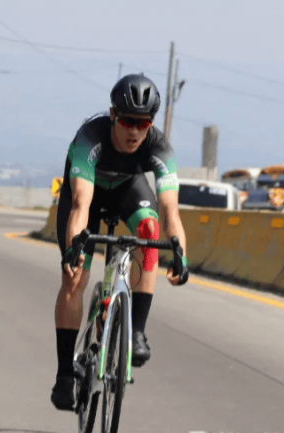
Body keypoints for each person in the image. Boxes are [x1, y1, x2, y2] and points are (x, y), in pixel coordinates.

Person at [51, 74, 190, 410]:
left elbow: (170, 209)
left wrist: (181, 254)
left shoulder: (159, 147)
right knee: (75, 277)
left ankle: (137, 331)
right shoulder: (90, 138)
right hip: (87, 196)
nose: (134, 131)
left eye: (143, 123)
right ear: (113, 114)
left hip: (128, 190)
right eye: (128, 121)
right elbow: (81, 205)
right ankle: (65, 374)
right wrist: (74, 250)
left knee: (150, 231)